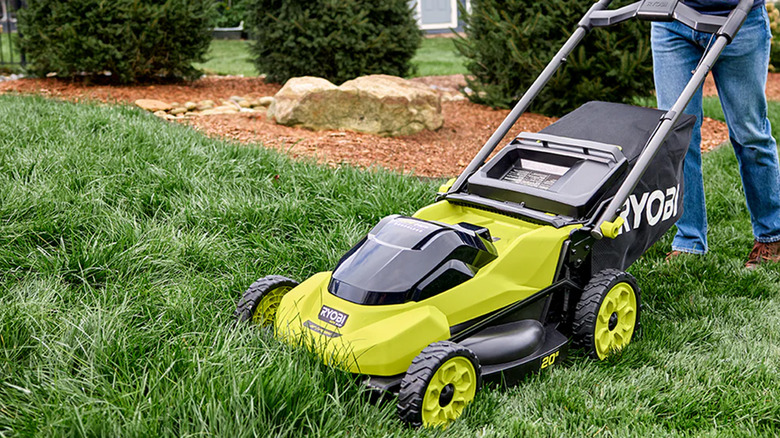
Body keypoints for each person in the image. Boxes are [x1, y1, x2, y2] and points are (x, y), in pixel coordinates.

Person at [651, 0, 780, 268]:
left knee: (750, 135)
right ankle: (689, 241)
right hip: (672, 21)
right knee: (677, 135)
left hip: (740, 19)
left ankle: (772, 235)